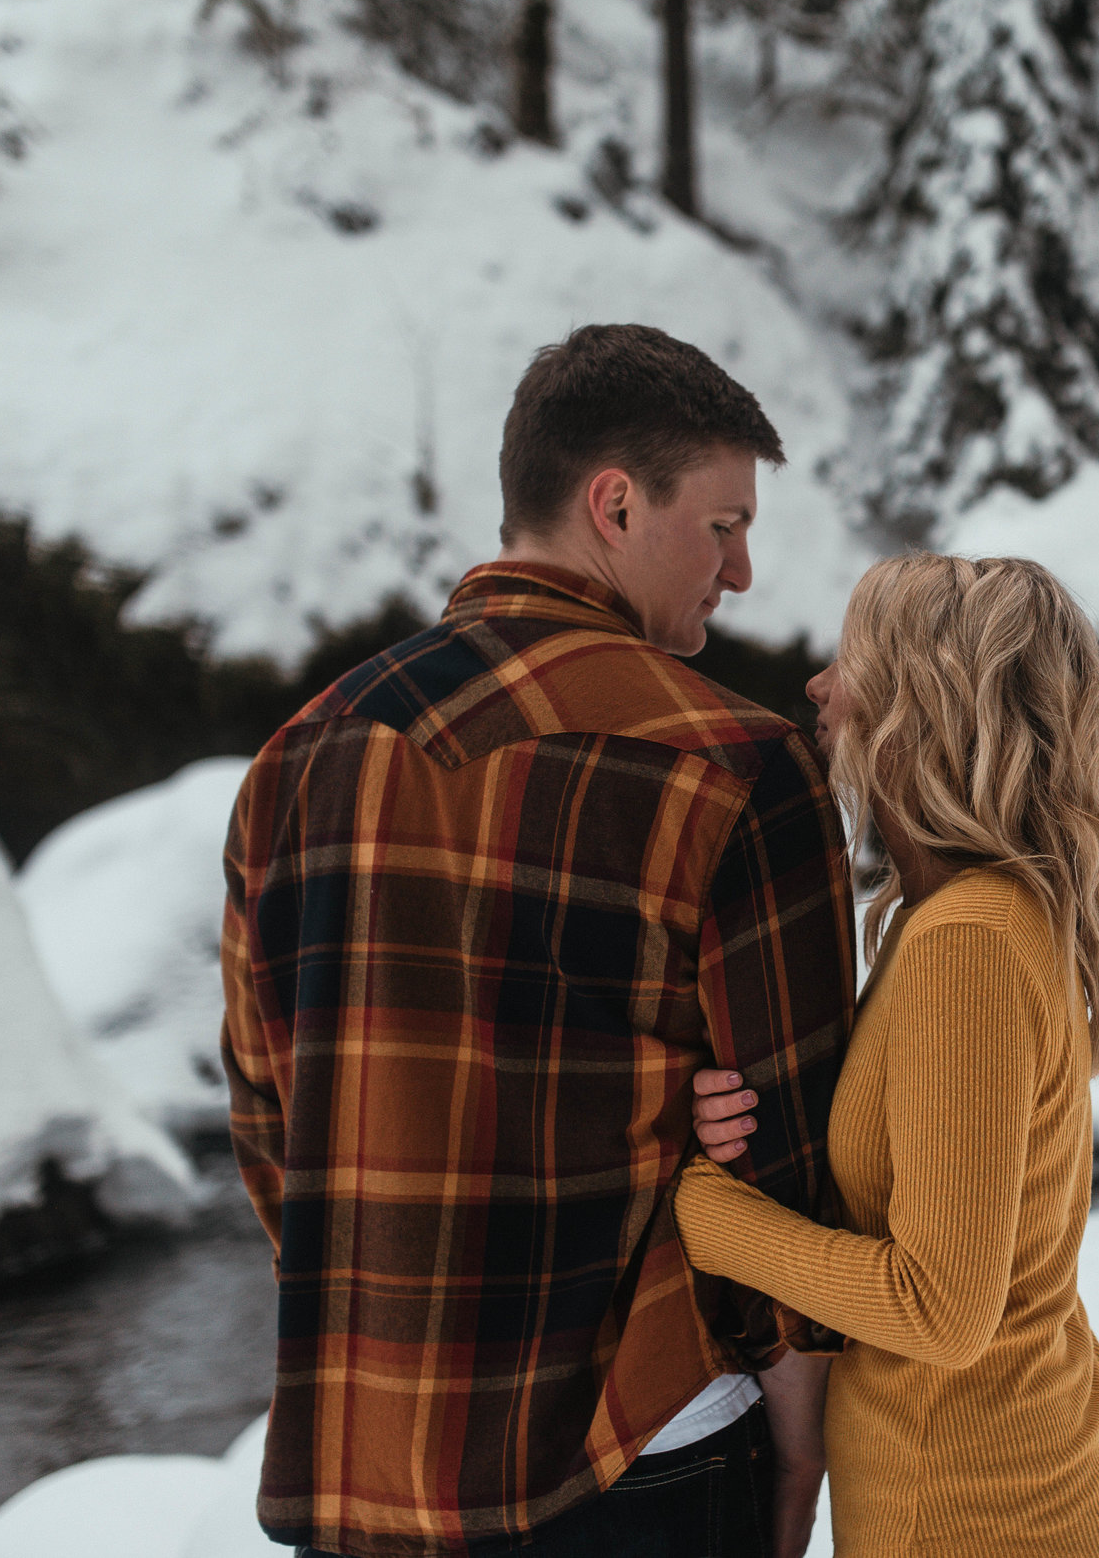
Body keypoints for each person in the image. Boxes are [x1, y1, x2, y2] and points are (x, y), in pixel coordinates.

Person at [220, 324, 854, 1558]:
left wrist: (388, 1323)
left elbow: (266, 1119)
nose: (740, 573)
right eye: (724, 525)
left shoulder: (296, 757)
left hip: (366, 1474)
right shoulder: (737, 764)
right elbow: (794, 1157)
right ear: (614, 503)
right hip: (641, 1454)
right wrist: (800, 1450)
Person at [670, 553, 1099, 1558]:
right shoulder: (952, 918)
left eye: (849, 658)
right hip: (997, 1483)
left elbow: (939, 1309)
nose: (816, 683)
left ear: (917, 703)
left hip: (979, 1511)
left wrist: (700, 1214)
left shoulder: (969, 940)